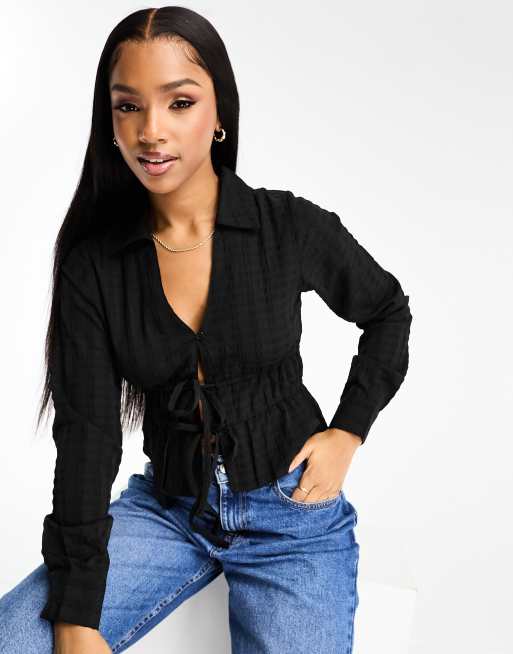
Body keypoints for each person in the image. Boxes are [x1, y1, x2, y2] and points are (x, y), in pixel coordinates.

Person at [0, 6, 412, 653]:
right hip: (166, 514)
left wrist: (347, 431)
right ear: (109, 124)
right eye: (128, 107)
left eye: (179, 102)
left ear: (219, 114)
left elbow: (387, 311)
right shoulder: (95, 267)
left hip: (291, 516)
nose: (151, 131)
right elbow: (86, 437)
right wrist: (76, 613)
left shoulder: (286, 227)